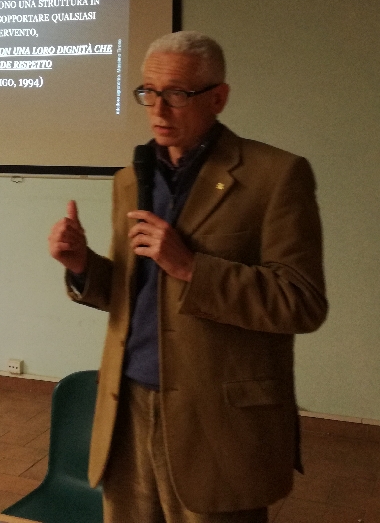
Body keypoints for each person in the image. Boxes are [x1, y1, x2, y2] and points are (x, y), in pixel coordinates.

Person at [48, 31, 327, 523]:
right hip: (127, 409)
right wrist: (82, 265)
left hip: (217, 422)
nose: (158, 109)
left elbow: (300, 301)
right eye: (147, 93)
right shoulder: (132, 179)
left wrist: (191, 268)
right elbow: (136, 293)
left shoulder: (275, 176)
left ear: (217, 98)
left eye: (176, 94)